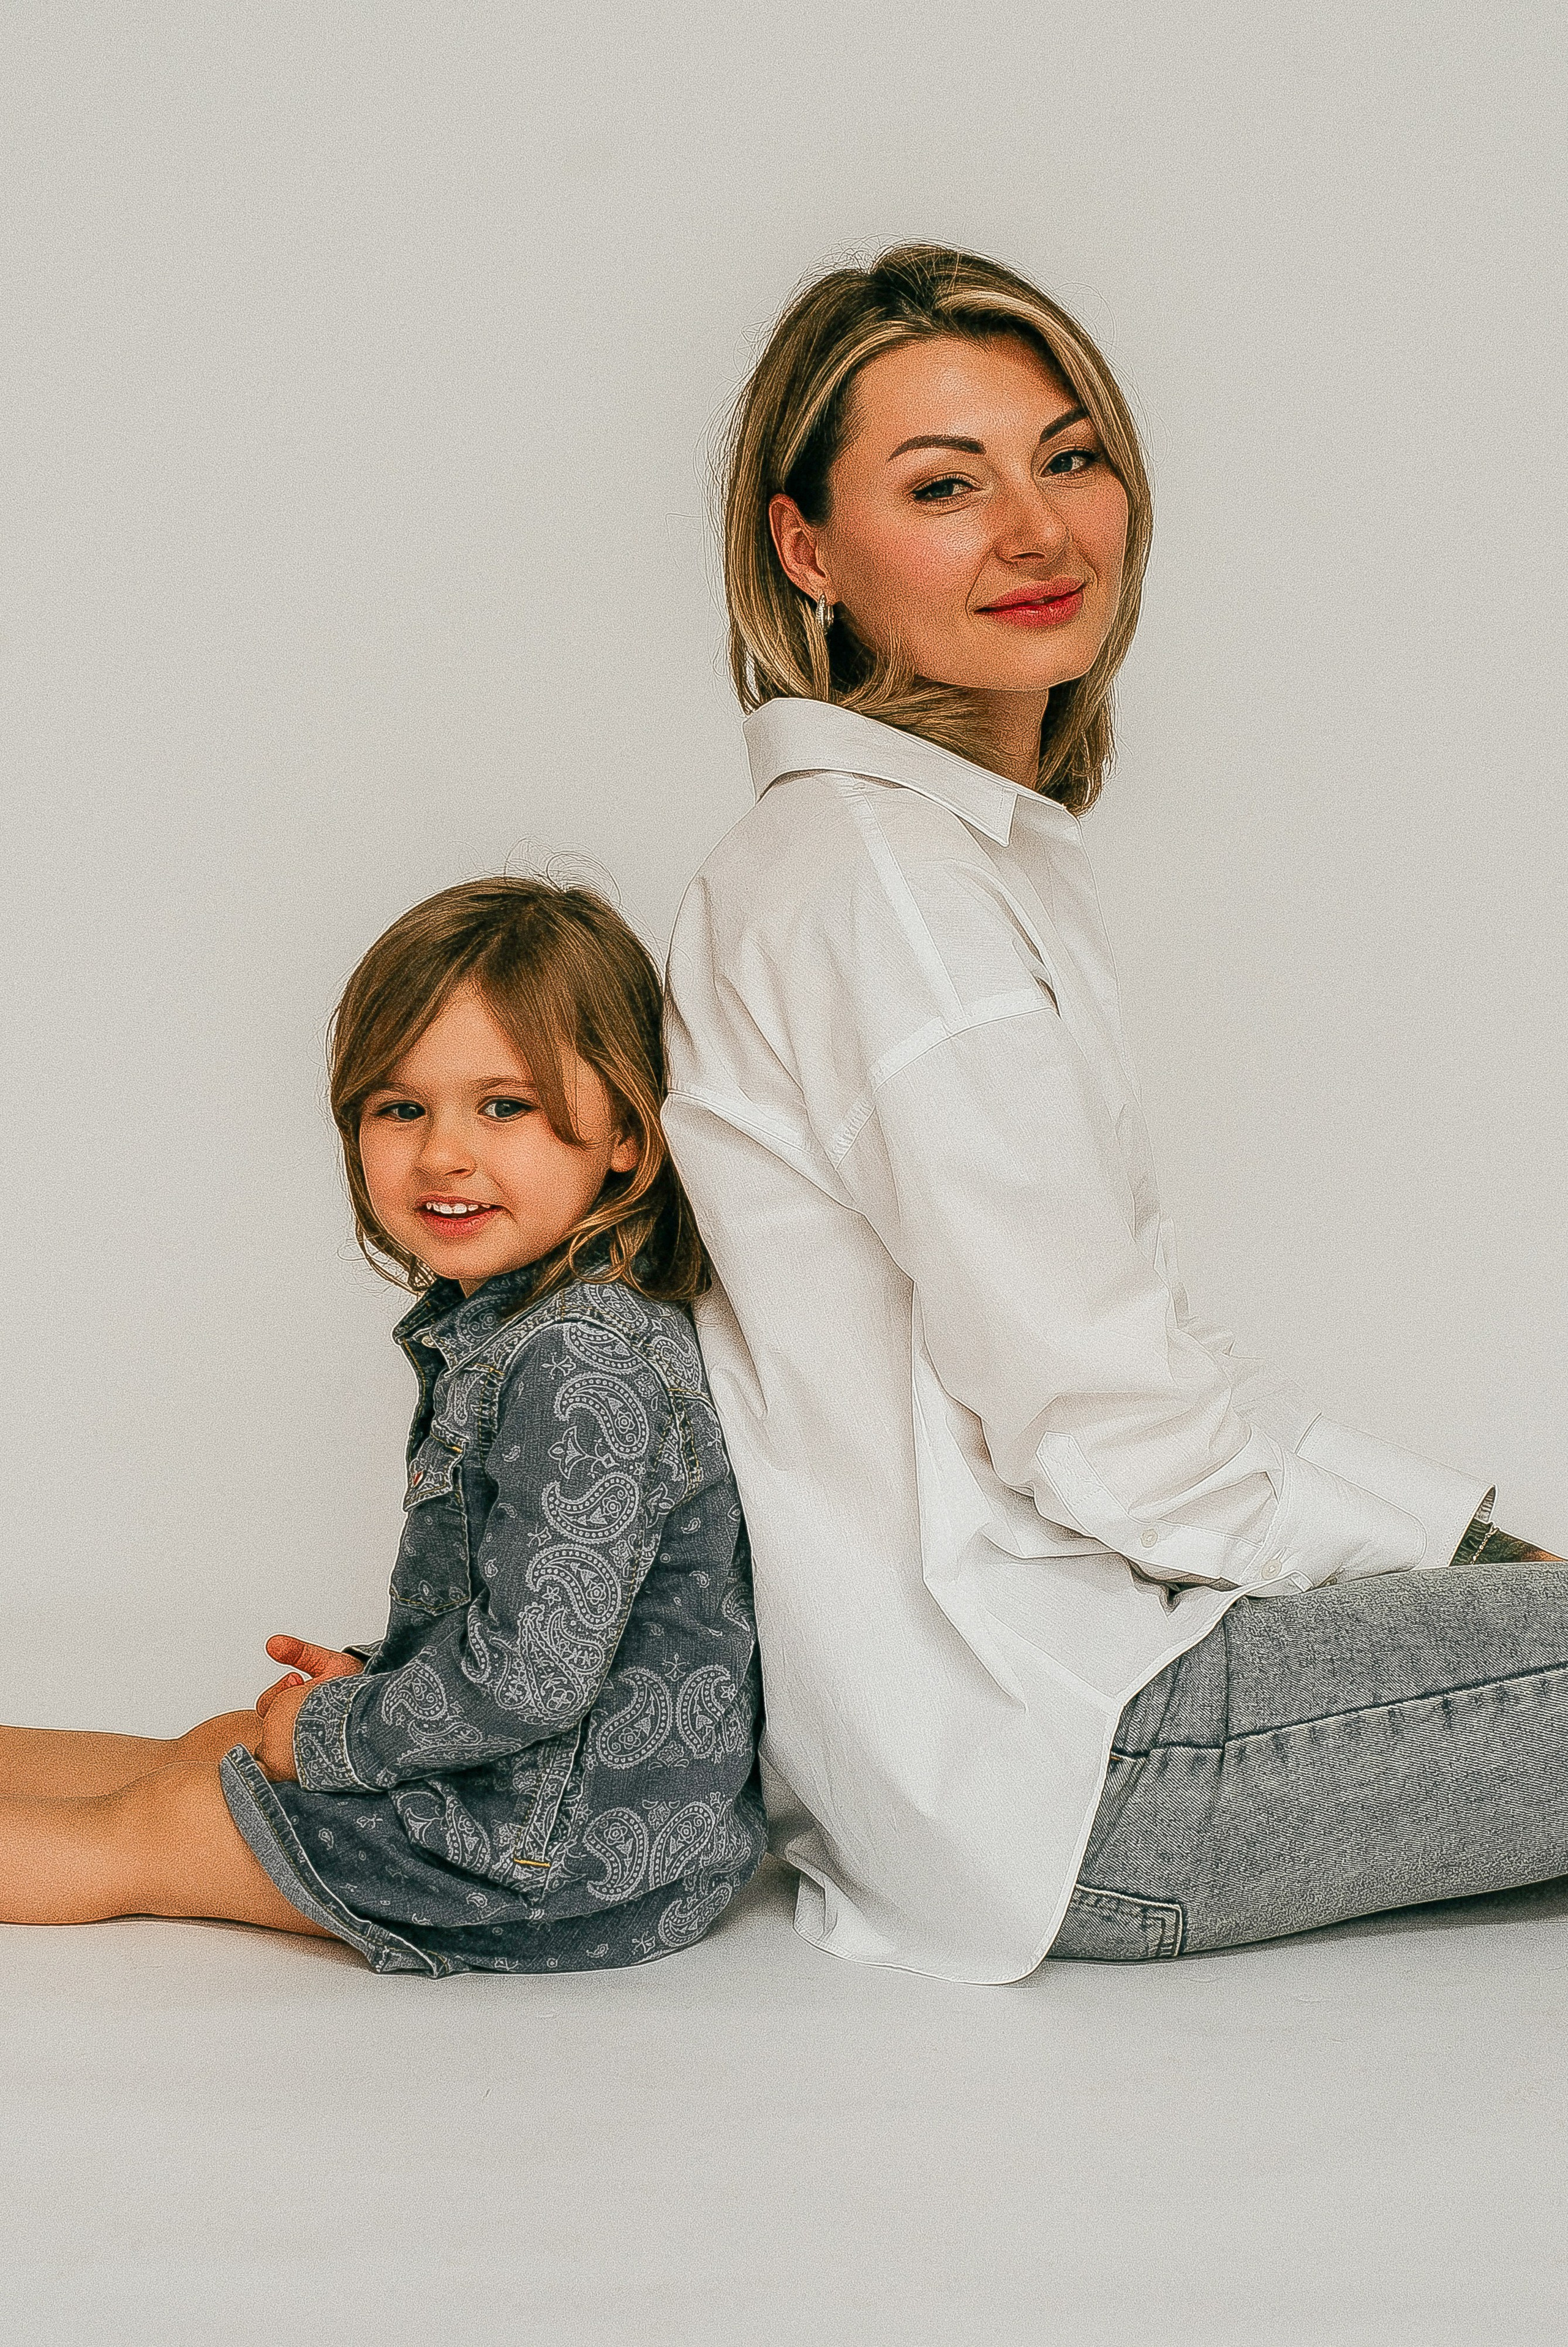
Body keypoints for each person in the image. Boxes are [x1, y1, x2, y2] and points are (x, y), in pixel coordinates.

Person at [661, 243, 1561, 1981]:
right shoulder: (888, 890)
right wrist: (1474, 1572)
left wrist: (1470, 1555)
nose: (1039, 530)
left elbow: (1139, 1371)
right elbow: (1117, 1436)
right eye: (944, 485)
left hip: (1026, 1746)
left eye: (1069, 458)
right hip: (1094, 1756)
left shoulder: (899, 857)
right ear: (807, 551)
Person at [0, 878, 763, 1975]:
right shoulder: (526, 1327)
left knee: (153, 1830)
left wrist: (337, 1733)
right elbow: (543, 1607)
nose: (443, 1153)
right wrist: (378, 1678)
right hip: (567, 1817)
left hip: (551, 1862)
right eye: (400, 1108)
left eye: (504, 1106)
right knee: (210, 1752)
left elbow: (536, 1678)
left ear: (629, 1138)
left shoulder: (580, 1359)